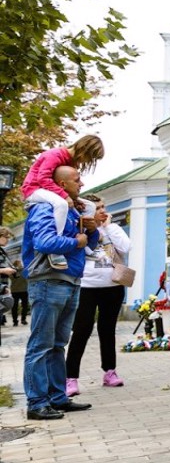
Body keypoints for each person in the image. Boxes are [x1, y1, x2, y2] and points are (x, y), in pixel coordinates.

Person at [22, 164, 100, 420]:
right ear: (62, 184)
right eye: (77, 180)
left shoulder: (69, 211)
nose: (82, 184)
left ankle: (57, 397)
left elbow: (89, 246)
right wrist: (75, 241)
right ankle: (36, 402)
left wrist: (90, 231)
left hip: (69, 280)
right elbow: (44, 243)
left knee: (57, 344)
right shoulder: (44, 208)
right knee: (41, 345)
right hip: (48, 281)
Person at [64, 194, 130, 396]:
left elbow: (126, 248)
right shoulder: (77, 229)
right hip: (86, 286)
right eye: (98, 208)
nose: (103, 211)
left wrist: (109, 227)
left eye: (104, 207)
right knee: (82, 330)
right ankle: (70, 378)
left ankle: (110, 372)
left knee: (107, 330)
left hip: (113, 286)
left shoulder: (113, 229)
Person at [20, 136, 105, 271]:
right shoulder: (55, 155)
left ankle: (85, 245)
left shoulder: (69, 162)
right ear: (84, 150)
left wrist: (75, 200)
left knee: (90, 206)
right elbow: (43, 178)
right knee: (61, 205)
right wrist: (64, 195)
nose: (88, 162)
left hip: (49, 191)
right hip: (34, 189)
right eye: (90, 158)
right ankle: (55, 250)